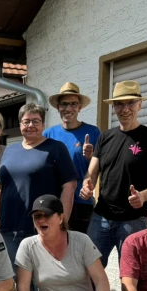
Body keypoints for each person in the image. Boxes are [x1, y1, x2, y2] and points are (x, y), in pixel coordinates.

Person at [79, 80, 147, 269]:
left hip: (133, 221)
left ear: (140, 104)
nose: (124, 109)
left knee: (131, 274)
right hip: (100, 218)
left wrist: (143, 196)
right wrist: (87, 186)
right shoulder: (105, 137)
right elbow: (91, 174)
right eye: (119, 104)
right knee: (89, 270)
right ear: (113, 107)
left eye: (130, 103)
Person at [0, 103, 78, 291]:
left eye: (36, 121)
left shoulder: (55, 148)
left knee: (43, 276)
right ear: (20, 124)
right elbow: (0, 187)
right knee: (18, 277)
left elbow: (70, 185)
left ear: (43, 124)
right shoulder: (10, 150)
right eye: (26, 121)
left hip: (40, 226)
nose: (30, 125)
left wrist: (61, 220)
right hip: (9, 227)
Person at [43, 83, 101, 234]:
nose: (68, 108)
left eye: (73, 104)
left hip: (81, 202)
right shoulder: (48, 134)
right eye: (64, 104)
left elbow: (100, 167)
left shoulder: (93, 132)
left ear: (80, 107)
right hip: (53, 202)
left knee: (79, 250)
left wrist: (90, 157)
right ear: (57, 107)